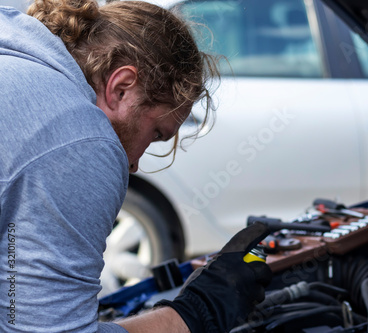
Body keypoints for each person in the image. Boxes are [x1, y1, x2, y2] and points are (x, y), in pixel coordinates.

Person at [0, 0, 271, 332]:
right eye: (156, 133)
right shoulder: (80, 140)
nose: (133, 165)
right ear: (121, 88)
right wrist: (196, 313)